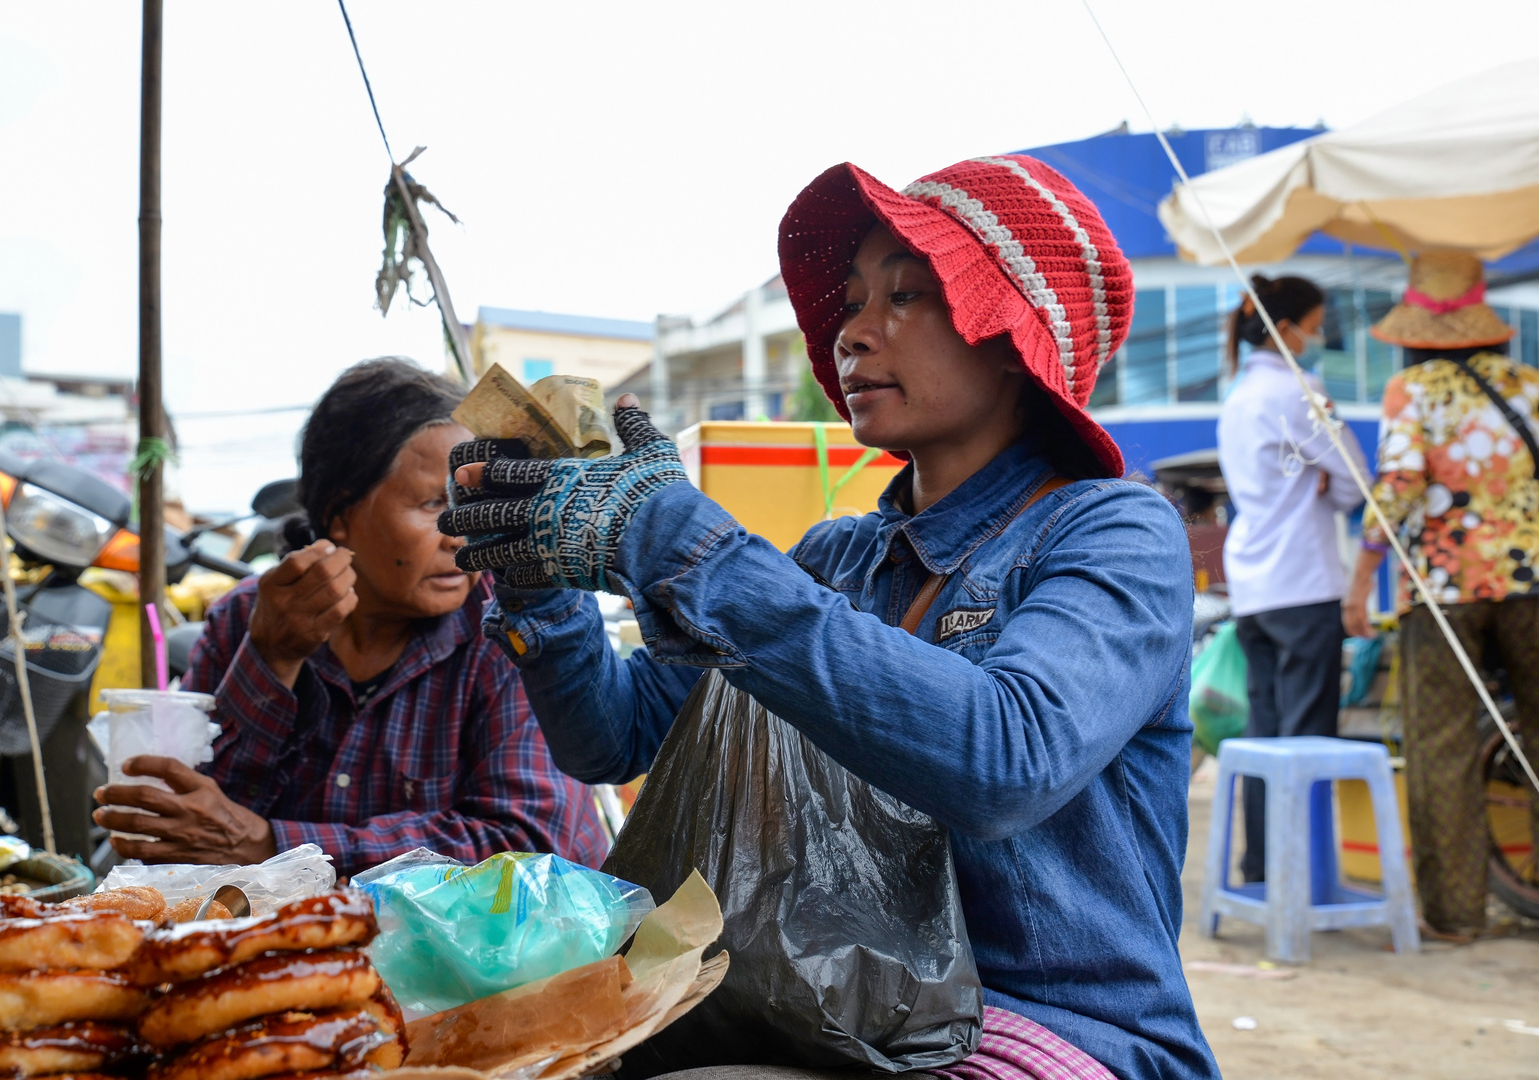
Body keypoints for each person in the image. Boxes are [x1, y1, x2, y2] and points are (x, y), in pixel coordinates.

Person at [443, 158, 1218, 1080]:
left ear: (1013, 339)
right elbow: (611, 737)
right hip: (829, 1009)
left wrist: (673, 535)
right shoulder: (832, 559)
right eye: (851, 301)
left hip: (1047, 1026)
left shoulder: (1114, 528)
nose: (853, 332)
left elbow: (1009, 760)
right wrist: (539, 585)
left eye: (905, 296)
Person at [93, 358, 609, 877]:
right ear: (341, 517)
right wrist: (271, 659)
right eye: (435, 503)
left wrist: (270, 845)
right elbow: (195, 827)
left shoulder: (516, 622)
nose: (462, 532)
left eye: (473, 501)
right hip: (301, 947)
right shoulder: (247, 619)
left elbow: (527, 844)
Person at [1343, 252, 1539, 941]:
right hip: (1533, 583)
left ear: (1416, 329)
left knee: (1443, 746)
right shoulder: (1530, 385)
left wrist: (1362, 578)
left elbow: (1396, 488)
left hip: (1446, 587)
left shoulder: (1412, 390)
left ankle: (1454, 916)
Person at [1216, 275, 1371, 883]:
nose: (1321, 334)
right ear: (1287, 331)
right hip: (1304, 582)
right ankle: (1300, 870)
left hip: (1254, 584)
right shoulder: (1298, 394)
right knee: (1306, 737)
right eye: (1317, 321)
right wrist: (1330, 491)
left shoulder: (1237, 398)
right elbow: (1357, 479)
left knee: (1266, 731)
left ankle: (1263, 866)